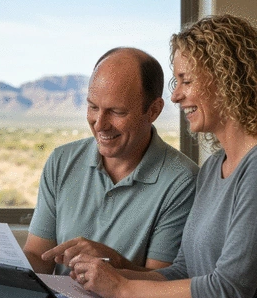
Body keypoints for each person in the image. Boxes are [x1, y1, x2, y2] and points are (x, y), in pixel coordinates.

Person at [69, 14, 257, 298]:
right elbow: (184, 271)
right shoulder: (215, 167)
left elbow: (227, 291)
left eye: (186, 80)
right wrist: (105, 278)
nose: (176, 96)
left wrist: (122, 290)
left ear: (225, 78)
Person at [23, 47, 199, 274]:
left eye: (116, 112)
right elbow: (40, 258)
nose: (99, 124)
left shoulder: (182, 181)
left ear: (153, 111)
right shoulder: (61, 161)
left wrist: (111, 262)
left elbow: (162, 283)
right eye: (93, 107)